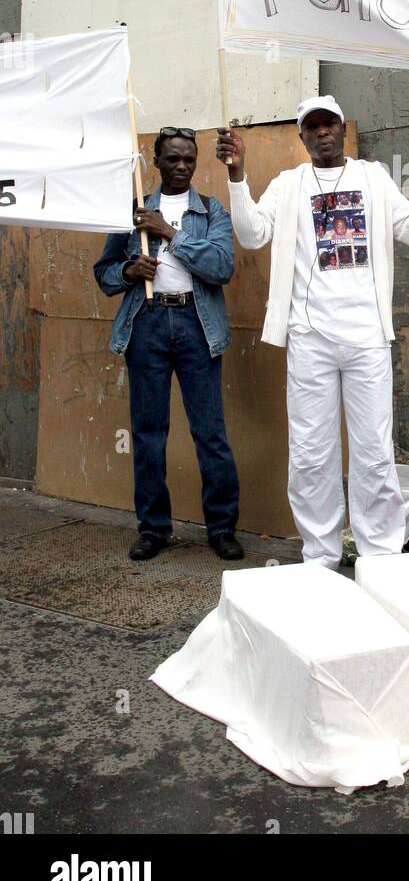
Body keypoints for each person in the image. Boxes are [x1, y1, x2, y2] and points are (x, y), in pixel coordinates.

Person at [216, 96, 409, 569]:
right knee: (311, 454)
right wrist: (237, 176)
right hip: (310, 340)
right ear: (302, 137)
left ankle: (379, 555)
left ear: (341, 129)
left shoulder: (373, 178)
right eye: (311, 126)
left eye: (329, 123)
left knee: (374, 452)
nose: (321, 132)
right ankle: (319, 555)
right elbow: (253, 234)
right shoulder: (289, 184)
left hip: (366, 340)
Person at [93, 128, 243, 562]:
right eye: (173, 159)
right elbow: (103, 274)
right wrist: (127, 271)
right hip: (148, 324)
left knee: (210, 433)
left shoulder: (211, 211)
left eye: (189, 160)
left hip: (198, 324)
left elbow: (221, 268)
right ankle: (154, 529)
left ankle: (221, 528)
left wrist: (169, 234)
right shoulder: (134, 210)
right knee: (148, 434)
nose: (182, 167)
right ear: (156, 162)